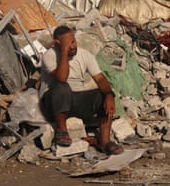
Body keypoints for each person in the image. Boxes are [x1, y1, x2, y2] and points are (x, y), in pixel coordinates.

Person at [39, 25, 123, 155]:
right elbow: (61, 78)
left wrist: (109, 95)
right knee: (62, 87)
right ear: (57, 43)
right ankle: (61, 131)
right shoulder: (49, 56)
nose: (72, 46)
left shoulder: (85, 55)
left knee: (103, 95)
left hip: (76, 100)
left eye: (73, 41)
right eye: (68, 43)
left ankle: (104, 141)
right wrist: (64, 52)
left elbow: (100, 78)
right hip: (53, 104)